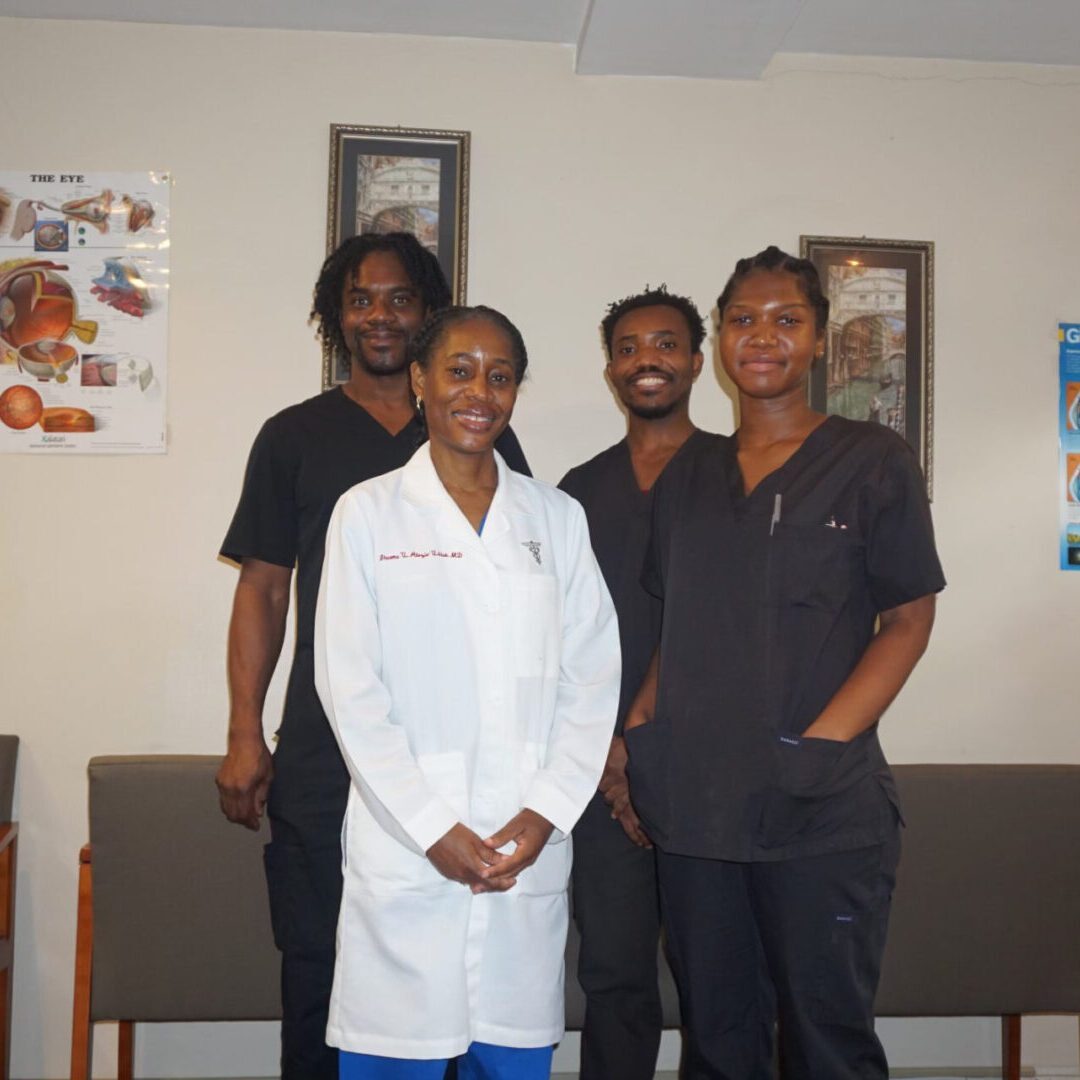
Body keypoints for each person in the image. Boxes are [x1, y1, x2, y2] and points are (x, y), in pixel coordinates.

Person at [625, 246, 945, 1080]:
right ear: (721, 343)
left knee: (825, 1041)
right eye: (742, 320)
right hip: (696, 812)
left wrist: (821, 744)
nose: (761, 336)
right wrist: (639, 733)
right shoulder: (687, 474)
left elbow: (908, 620)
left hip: (820, 813)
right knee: (717, 1037)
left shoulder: (871, 460)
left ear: (817, 342)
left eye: (785, 321)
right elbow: (676, 620)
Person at [216, 233, 530, 1079]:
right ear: (335, 315)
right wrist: (247, 731)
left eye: (400, 299)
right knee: (320, 971)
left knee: (454, 983)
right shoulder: (293, 437)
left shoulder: (483, 438)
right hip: (328, 757)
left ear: (429, 317)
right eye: (361, 299)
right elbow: (263, 590)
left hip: (456, 765)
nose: (380, 316)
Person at [314, 305, 621, 1078]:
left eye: (500, 374)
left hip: (525, 851)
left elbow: (592, 677)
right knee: (397, 1058)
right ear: (419, 381)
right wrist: (430, 826)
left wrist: (548, 810)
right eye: (458, 369)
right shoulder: (367, 513)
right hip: (408, 852)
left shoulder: (557, 519)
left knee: (511, 1055)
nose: (478, 391)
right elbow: (349, 687)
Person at [559, 285, 711, 1080]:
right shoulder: (576, 494)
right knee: (614, 977)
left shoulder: (735, 475)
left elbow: (733, 633)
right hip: (599, 776)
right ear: (610, 368)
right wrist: (609, 759)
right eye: (627, 348)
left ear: (695, 359)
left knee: (720, 986)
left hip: (712, 776)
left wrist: (650, 748)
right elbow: (558, 641)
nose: (645, 360)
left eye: (663, 344)